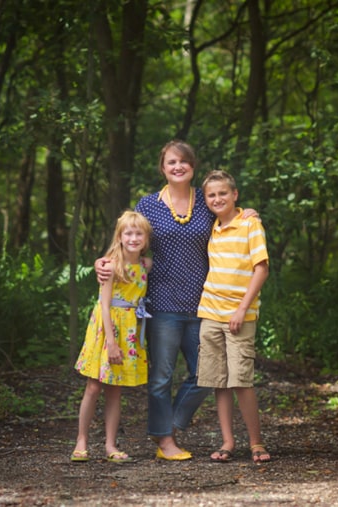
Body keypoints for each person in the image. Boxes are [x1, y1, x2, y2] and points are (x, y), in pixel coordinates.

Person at [96, 140, 256, 461]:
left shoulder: (205, 203)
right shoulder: (149, 205)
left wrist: (246, 214)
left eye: (183, 161)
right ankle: (165, 442)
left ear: (192, 167)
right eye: (171, 162)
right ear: (163, 167)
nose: (178, 166)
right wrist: (105, 261)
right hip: (163, 302)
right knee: (161, 377)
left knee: (206, 374)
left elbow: (229, 216)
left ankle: (168, 424)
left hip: (205, 302)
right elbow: (129, 239)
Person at [196, 169, 271, 464]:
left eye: (223, 193)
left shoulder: (250, 225)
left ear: (235, 195)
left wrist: (241, 309)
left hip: (240, 315)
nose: (217, 199)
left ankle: (256, 442)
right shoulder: (212, 227)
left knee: (241, 380)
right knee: (219, 380)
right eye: (212, 195)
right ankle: (227, 441)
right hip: (210, 313)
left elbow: (261, 268)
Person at [72, 210, 153, 463]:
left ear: (146, 239)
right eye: (128, 233)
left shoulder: (145, 265)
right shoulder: (110, 265)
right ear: (119, 237)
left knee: (115, 389)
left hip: (130, 329)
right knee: (94, 386)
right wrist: (111, 342)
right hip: (106, 329)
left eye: (139, 233)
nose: (133, 237)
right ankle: (81, 441)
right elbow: (105, 305)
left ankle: (110, 445)